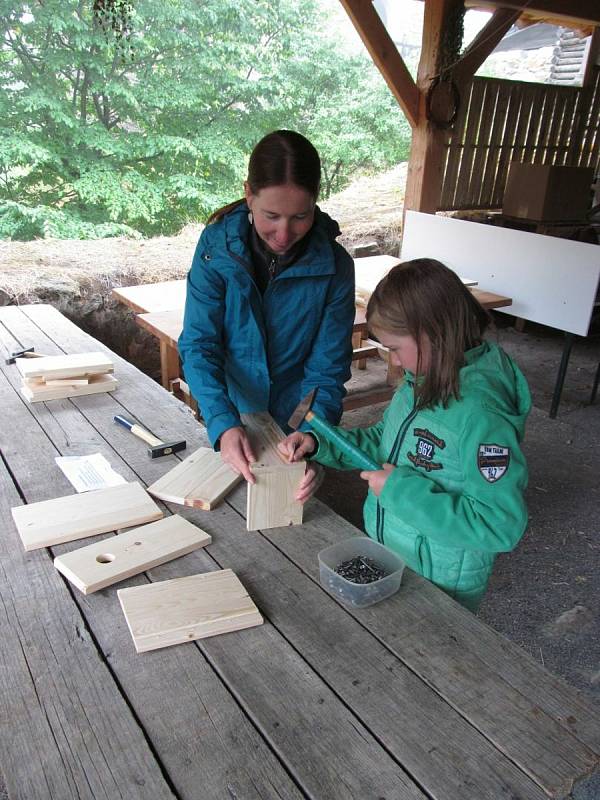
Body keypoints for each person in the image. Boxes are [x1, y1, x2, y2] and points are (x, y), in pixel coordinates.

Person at [279, 258, 531, 612]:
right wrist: (320, 444)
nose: (393, 363)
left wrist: (398, 491)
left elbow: (498, 525)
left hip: (442, 585)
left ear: (434, 333)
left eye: (395, 348)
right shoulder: (421, 380)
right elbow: (384, 442)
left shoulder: (481, 416)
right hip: (392, 557)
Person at [178, 130, 355, 501]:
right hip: (231, 407)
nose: (283, 233)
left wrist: (314, 433)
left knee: (286, 507)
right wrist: (223, 423)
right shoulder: (215, 250)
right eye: (271, 215)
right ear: (248, 194)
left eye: (300, 216)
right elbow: (199, 344)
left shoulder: (335, 267)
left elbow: (327, 367)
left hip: (296, 416)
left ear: (315, 203)